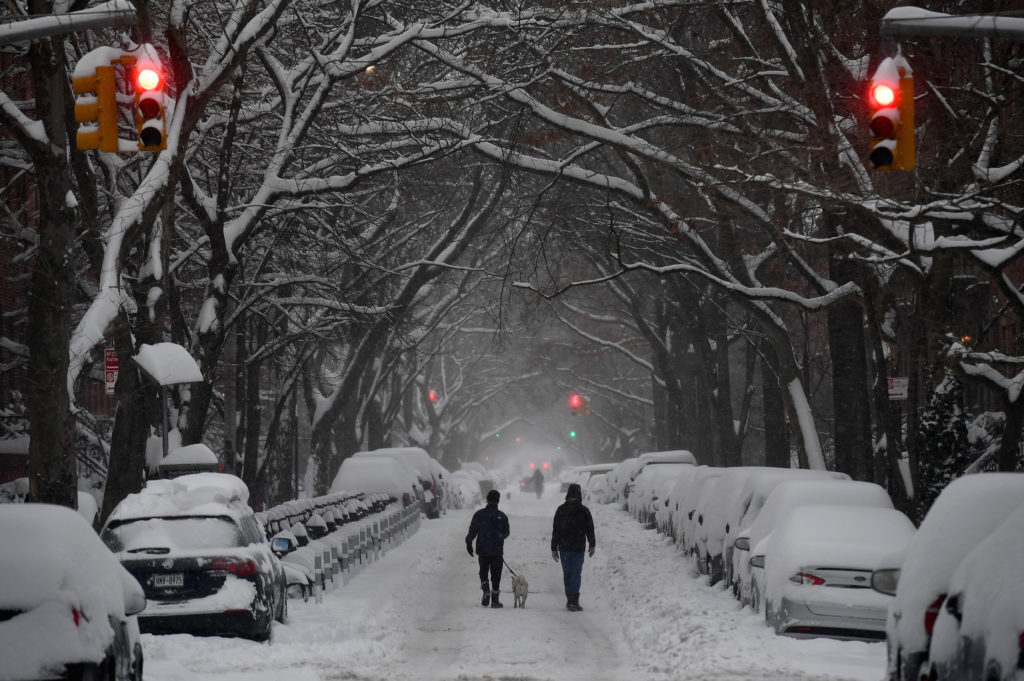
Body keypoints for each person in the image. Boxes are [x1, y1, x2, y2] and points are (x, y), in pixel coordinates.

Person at [551, 482, 596, 612]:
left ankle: (570, 599)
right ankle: (574, 600)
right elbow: (590, 529)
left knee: (567, 573)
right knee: (576, 574)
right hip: (578, 548)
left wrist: (554, 548)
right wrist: (592, 544)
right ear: (579, 494)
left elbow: (556, 530)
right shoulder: (584, 511)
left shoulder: (561, 510)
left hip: (564, 548)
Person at [466, 488, 510, 608]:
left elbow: (473, 530)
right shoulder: (502, 516)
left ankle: (485, 588)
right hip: (496, 551)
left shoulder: (479, 514)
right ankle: (495, 600)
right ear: (498, 501)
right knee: (496, 574)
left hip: (483, 549)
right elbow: (506, 533)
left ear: (487, 500)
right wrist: (498, 537)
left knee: (483, 572)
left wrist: (469, 542)